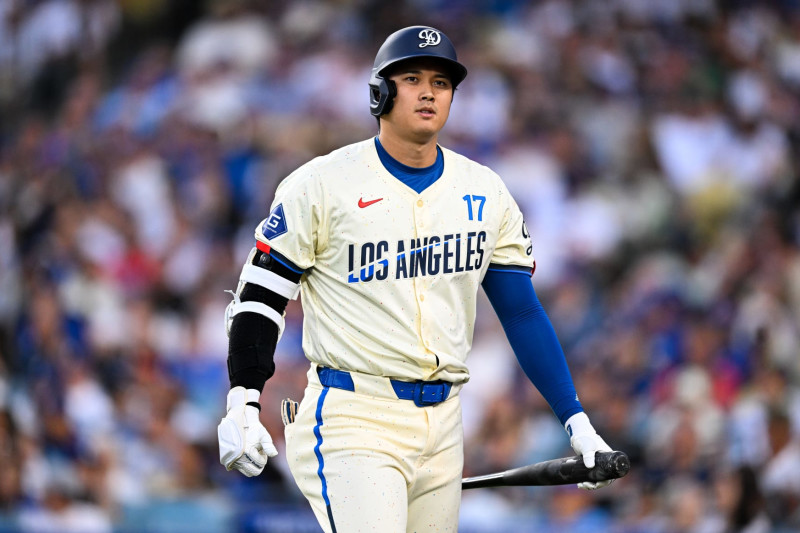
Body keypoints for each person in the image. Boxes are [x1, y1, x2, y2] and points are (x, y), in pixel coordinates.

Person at [217, 25, 614, 532]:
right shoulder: (321, 184)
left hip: (445, 423)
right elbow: (261, 298)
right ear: (380, 92)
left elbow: (521, 311)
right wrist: (243, 399)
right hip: (354, 415)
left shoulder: (485, 190)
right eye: (412, 77)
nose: (429, 91)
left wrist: (575, 420)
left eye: (442, 82)